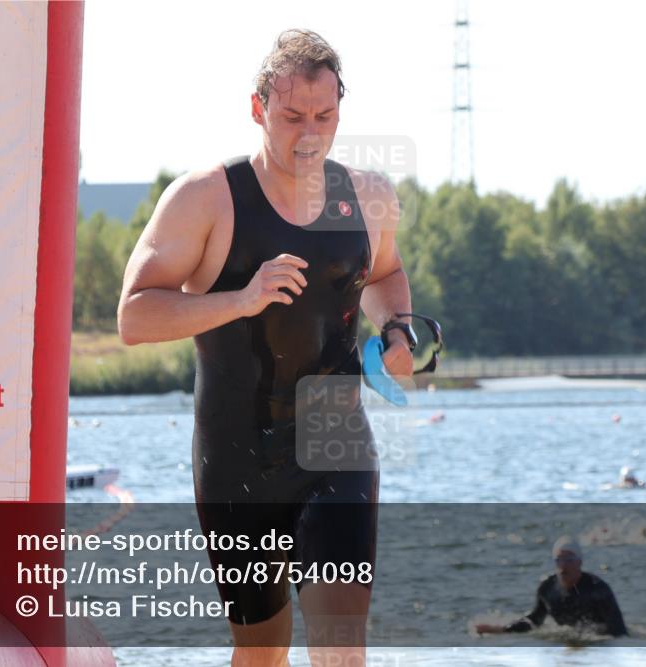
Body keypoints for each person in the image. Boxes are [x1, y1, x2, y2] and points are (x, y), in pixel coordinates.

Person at [118, 29, 414, 667]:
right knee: (263, 653)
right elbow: (134, 317)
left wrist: (398, 329)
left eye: (325, 116)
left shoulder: (367, 197)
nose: (309, 133)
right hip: (236, 458)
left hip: (334, 438)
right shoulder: (204, 200)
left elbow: (386, 276)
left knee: (340, 645)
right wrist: (241, 300)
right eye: (291, 117)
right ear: (257, 110)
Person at [476, 536, 628, 637]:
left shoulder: (598, 589)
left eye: (569, 559)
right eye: (559, 560)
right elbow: (533, 622)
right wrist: (501, 630)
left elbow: (619, 632)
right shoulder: (547, 589)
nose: (563, 566)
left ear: (579, 562)